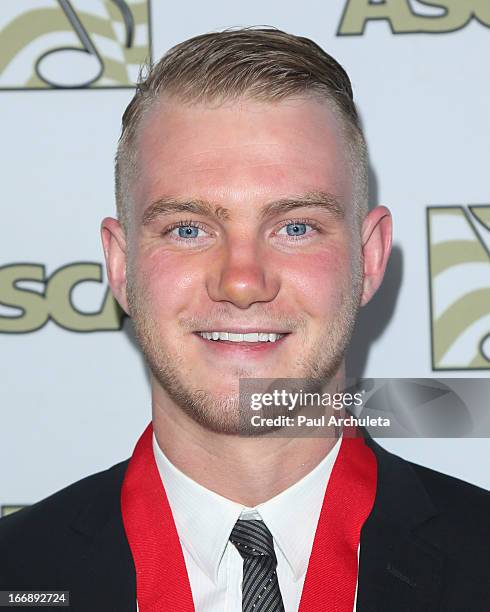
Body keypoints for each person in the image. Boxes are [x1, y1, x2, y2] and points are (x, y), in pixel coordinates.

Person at [1, 27, 489, 612]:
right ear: (122, 265)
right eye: (188, 229)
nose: (241, 280)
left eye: (295, 227)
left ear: (370, 258)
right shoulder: (18, 573)